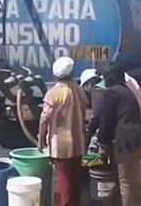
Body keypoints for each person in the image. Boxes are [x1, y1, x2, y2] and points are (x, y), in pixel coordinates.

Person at [37, 57, 88, 206]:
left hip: (61, 147)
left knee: (65, 183)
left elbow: (44, 119)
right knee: (75, 182)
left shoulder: (53, 94)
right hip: (78, 144)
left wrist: (41, 140)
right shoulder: (79, 91)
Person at [98, 64, 141, 206]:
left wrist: (102, 143)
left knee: (125, 181)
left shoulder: (112, 93)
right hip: (136, 139)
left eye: (104, 76)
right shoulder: (126, 90)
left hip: (126, 142)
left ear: (110, 77)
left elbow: (106, 121)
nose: (103, 79)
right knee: (127, 178)